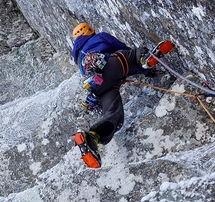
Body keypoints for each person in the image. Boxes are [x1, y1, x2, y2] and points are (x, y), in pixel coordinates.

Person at [71, 22, 174, 168]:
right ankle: (143, 58)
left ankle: (92, 136)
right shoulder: (100, 37)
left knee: (115, 116)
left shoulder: (80, 61)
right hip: (110, 65)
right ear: (89, 31)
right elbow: (121, 49)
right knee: (130, 57)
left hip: (99, 87)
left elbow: (115, 72)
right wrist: (144, 68)